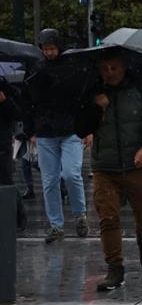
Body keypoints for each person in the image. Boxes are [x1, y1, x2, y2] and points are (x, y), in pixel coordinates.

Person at [74, 48, 142, 291]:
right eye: (104, 69)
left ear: (123, 67)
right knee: (108, 217)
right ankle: (114, 268)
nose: (109, 73)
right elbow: (80, 128)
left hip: (135, 165)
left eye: (114, 68)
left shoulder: (140, 90)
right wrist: (96, 108)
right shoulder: (92, 93)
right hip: (105, 167)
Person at [23, 28, 89, 243]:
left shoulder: (68, 66)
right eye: (46, 49)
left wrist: (87, 128)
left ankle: (79, 215)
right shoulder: (37, 68)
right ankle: (56, 225)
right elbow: (28, 101)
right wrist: (30, 130)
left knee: (70, 174)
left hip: (69, 129)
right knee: (50, 180)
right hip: (46, 130)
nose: (49, 52)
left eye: (52, 48)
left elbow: (81, 98)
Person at [0, 75, 27, 231]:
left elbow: (17, 113)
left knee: (6, 183)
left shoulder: (6, 88)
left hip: (2, 145)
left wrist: (4, 101)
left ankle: (19, 216)